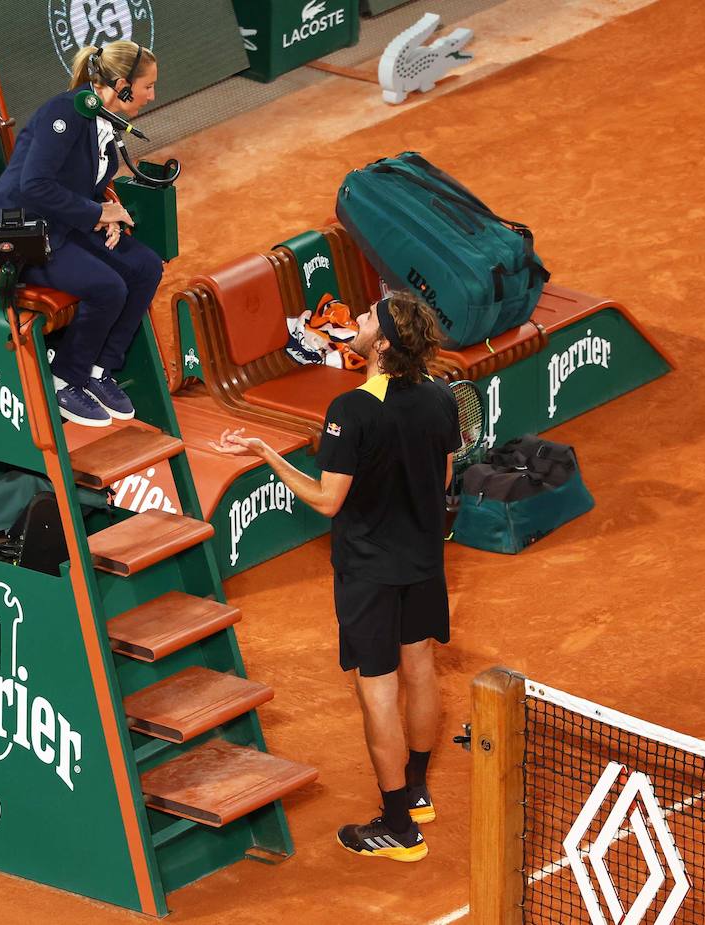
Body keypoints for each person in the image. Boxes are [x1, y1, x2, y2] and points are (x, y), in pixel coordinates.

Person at [212, 291, 460, 863]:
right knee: (420, 668)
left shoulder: (352, 409)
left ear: (387, 342)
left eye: (370, 317)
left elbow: (327, 500)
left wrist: (267, 454)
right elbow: (443, 474)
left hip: (370, 574)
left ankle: (399, 828)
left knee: (378, 694)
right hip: (423, 563)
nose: (359, 320)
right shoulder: (441, 396)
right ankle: (417, 790)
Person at [0, 40, 163, 428]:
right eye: (148, 86)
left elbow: (82, 183)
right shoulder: (65, 113)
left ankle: (97, 371)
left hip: (61, 224)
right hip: (16, 233)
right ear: (123, 85)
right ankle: (64, 379)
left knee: (145, 266)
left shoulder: (104, 120)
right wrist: (96, 212)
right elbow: (34, 185)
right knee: (108, 287)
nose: (152, 95)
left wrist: (103, 217)